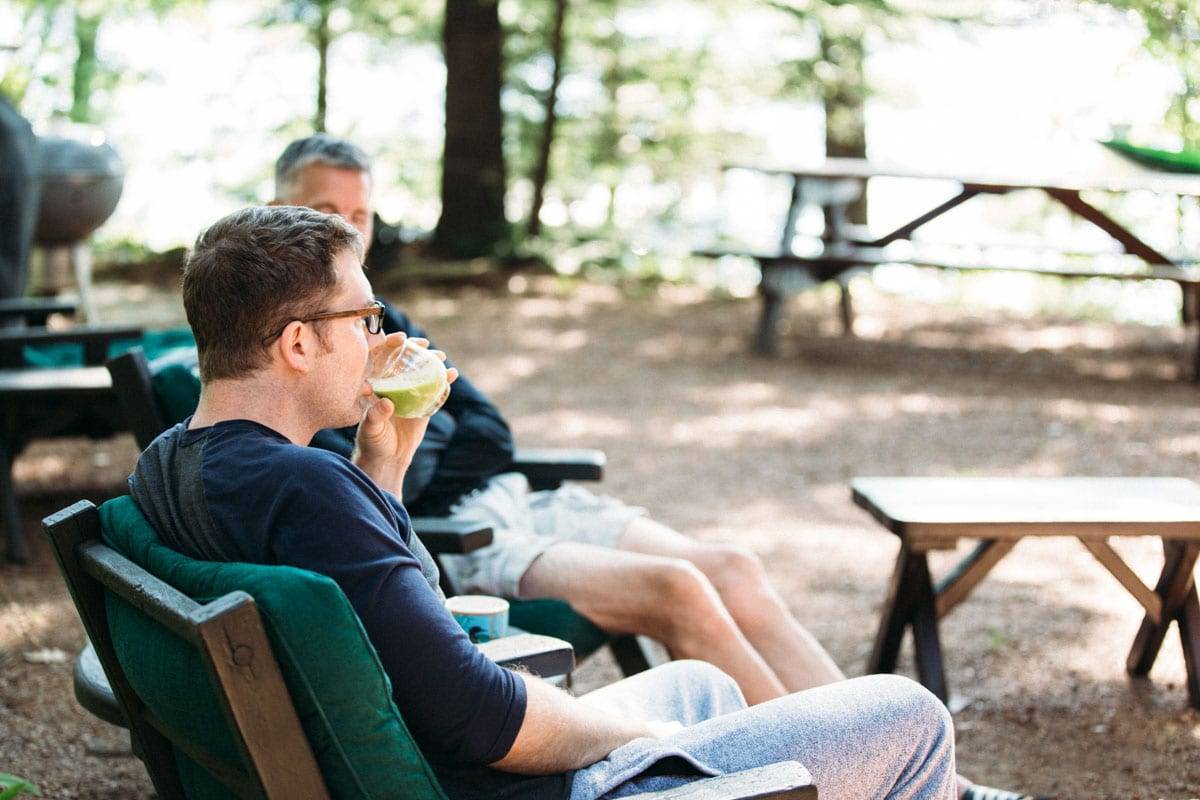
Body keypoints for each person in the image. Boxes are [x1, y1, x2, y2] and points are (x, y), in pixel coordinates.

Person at [267, 135, 1048, 800]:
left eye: (361, 214)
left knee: (735, 567)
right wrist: (431, 437)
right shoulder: (310, 355)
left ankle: (917, 775)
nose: (349, 231)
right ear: (281, 214)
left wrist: (438, 433)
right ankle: (839, 773)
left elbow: (491, 426)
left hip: (522, 495)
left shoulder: (381, 319)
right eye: (326, 212)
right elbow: (401, 470)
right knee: (680, 589)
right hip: (468, 532)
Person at [130, 203, 957, 800]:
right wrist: (648, 743)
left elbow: (373, 615)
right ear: (300, 343)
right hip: (509, 785)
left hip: (419, 760)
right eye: (365, 314)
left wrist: (384, 465)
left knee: (702, 681)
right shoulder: (307, 488)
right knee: (908, 713)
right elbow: (481, 721)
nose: (382, 337)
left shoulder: (170, 466)